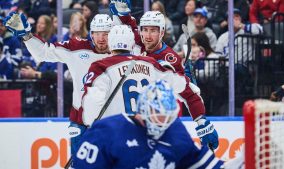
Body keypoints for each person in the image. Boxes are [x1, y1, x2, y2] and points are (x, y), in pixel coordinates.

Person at [79, 25, 218, 151]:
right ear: (132, 44)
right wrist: (201, 121)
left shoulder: (100, 67)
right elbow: (189, 91)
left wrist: (91, 129)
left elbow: (91, 107)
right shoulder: (151, 64)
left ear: (110, 44)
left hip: (115, 140)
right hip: (147, 140)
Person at [109, 0, 218, 149]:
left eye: (153, 30)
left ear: (161, 32)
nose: (147, 35)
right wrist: (123, 13)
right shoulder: (139, 39)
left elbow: (189, 94)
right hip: (130, 119)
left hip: (158, 122)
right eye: (145, 30)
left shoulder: (169, 59)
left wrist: (202, 122)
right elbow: (130, 26)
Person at [3, 12, 113, 156]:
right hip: (81, 121)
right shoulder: (76, 47)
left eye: (106, 34)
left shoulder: (122, 54)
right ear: (91, 33)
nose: (101, 39)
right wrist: (27, 36)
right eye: (97, 33)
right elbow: (44, 52)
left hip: (111, 119)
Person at [73, 79, 223, 169]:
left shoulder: (175, 129)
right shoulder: (105, 131)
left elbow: (200, 163)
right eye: (158, 113)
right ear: (144, 108)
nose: (164, 121)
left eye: (168, 115)